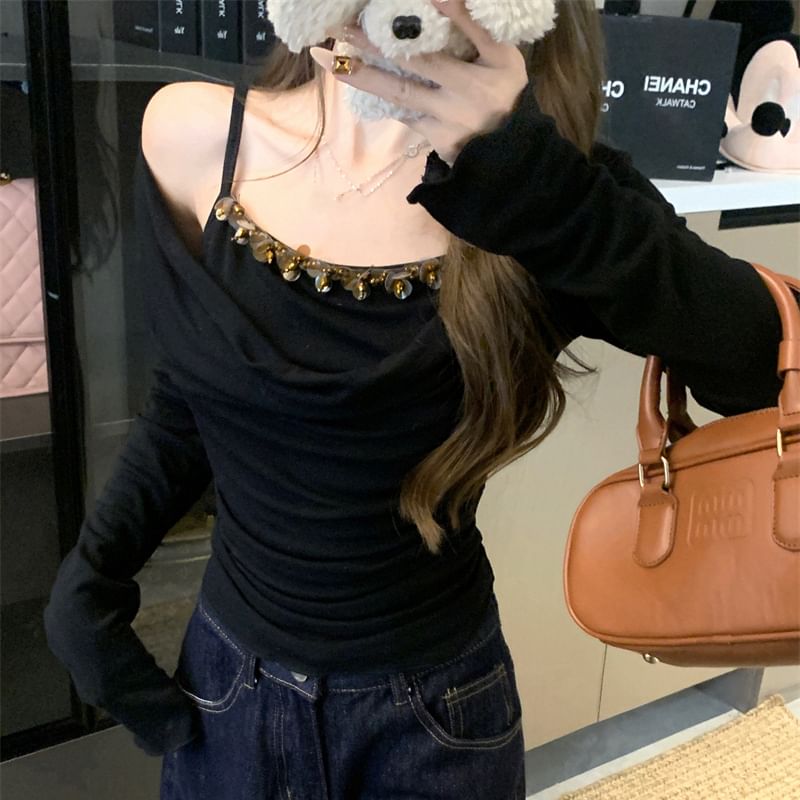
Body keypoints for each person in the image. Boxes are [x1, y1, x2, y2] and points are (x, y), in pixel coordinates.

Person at [43, 1, 793, 798]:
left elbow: (762, 365)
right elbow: (194, 395)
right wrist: (93, 572)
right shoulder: (194, 138)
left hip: (436, 713)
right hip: (230, 692)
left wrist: (538, 185)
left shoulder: (543, 181)